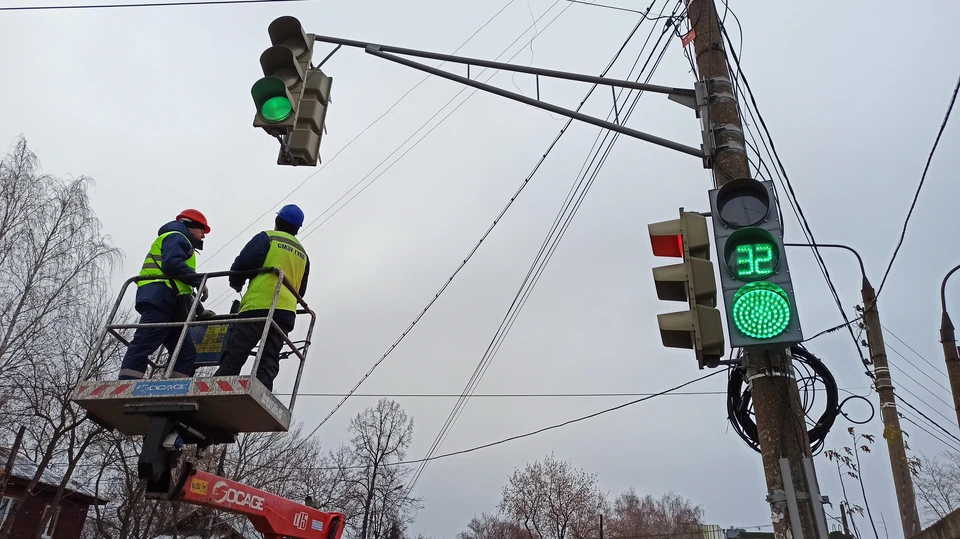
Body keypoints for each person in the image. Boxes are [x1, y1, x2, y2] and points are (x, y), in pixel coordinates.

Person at [214, 204, 310, 391]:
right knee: (270, 355)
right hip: (285, 312)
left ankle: (220, 385)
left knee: (237, 350)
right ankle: (262, 390)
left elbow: (243, 263)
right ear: (297, 229)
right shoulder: (303, 254)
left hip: (259, 305)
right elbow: (301, 290)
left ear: (277, 221)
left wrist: (236, 282)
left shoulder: (268, 237)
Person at [118, 209, 215, 380]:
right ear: (191, 226)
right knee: (144, 343)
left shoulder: (181, 241)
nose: (203, 236)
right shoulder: (177, 237)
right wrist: (199, 280)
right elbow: (172, 265)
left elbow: (181, 285)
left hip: (172, 304)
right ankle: (126, 384)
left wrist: (199, 310)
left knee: (185, 352)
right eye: (202, 230)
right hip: (161, 298)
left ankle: (175, 388)